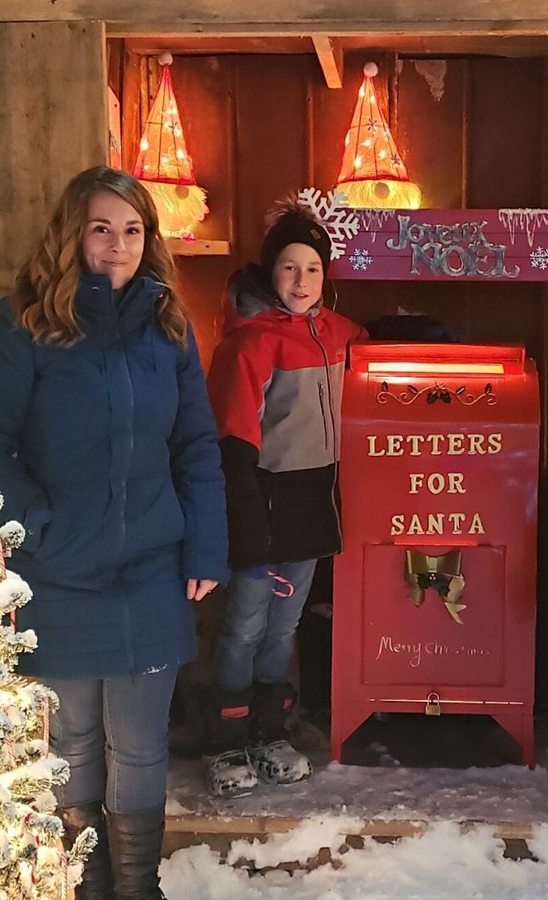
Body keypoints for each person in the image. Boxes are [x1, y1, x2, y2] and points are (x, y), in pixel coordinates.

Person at [0, 166, 229, 900]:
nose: (117, 246)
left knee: (141, 745)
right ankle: (85, 888)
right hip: (57, 570)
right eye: (101, 229)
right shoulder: (23, 323)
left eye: (133, 231)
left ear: (150, 240)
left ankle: (137, 890)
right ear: (72, 235)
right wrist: (39, 529)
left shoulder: (169, 327)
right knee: (73, 742)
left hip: (151, 566)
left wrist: (205, 545)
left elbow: (196, 445)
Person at [201, 198, 366, 798]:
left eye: (313, 269)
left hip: (309, 509)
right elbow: (232, 443)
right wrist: (241, 525)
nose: (301, 281)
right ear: (271, 272)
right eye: (289, 268)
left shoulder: (339, 334)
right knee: (244, 627)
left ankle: (271, 732)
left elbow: (378, 356)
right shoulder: (249, 344)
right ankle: (226, 740)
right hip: (260, 506)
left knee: (283, 627)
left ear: (327, 276)